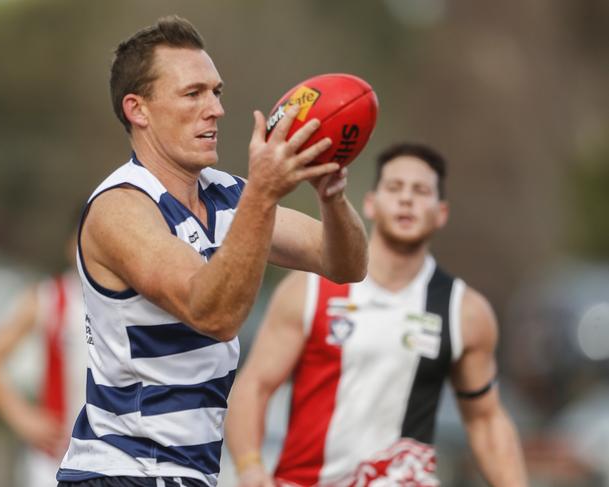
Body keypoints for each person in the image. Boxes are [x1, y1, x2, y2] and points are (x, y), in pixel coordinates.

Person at [56, 14, 368, 487]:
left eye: (216, 92)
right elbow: (213, 312)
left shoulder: (227, 195)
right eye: (193, 93)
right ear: (138, 109)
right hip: (122, 472)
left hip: (190, 473)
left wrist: (332, 196)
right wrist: (263, 195)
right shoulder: (120, 208)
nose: (216, 109)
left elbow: (346, 263)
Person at [225, 143, 528, 486]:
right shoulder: (310, 290)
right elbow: (255, 386)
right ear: (370, 203)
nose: (406, 199)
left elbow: (485, 421)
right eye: (395, 188)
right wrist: (250, 466)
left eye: (421, 191)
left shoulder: (464, 311)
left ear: (441, 212)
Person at [0, 233, 85, 487]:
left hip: (117, 461)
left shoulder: (134, 300)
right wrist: (21, 417)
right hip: (55, 461)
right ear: (71, 245)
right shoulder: (51, 296)